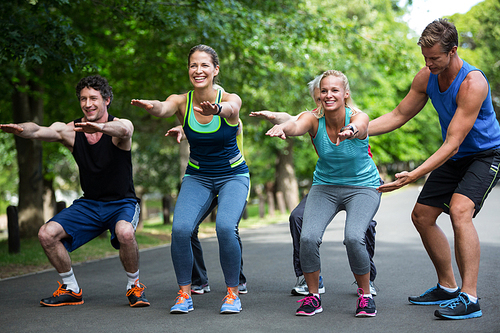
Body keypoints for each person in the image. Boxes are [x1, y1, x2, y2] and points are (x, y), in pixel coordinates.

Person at [369, 18, 500, 320]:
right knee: (422, 215)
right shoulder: (427, 76)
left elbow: (453, 143)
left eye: (435, 58)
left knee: (459, 211)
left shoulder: (472, 83)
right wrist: (358, 130)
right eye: (425, 58)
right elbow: (399, 114)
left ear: (453, 51)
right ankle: (448, 286)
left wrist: (413, 175)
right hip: (454, 155)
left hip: (484, 154)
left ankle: (470, 297)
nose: (429, 64)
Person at [0, 75, 149, 308]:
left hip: (121, 203)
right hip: (89, 204)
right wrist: (21, 129)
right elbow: (38, 130)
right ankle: (71, 288)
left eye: (93, 98)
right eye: (83, 99)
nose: (87, 104)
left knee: (126, 233)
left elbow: (125, 129)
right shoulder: (71, 131)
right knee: (46, 234)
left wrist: (100, 127)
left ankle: (134, 286)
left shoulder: (118, 128)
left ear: (107, 100)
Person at [131, 44, 249, 314]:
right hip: (198, 175)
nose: (198, 70)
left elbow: (232, 109)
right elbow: (163, 107)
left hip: (232, 174)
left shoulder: (231, 97)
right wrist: (152, 107)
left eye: (205, 65)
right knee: (181, 230)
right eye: (193, 65)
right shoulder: (181, 101)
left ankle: (232, 292)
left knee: (225, 227)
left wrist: (216, 109)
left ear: (215, 69)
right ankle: (185, 293)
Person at [251, 74, 379, 296]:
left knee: (356, 233)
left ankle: (367, 283)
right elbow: (295, 122)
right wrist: (281, 125)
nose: (327, 97)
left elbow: (361, 124)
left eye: (334, 91)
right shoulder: (313, 117)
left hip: (361, 184)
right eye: (323, 92)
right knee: (301, 223)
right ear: (318, 96)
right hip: (326, 185)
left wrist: (351, 131)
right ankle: (309, 281)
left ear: (345, 94)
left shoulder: (357, 116)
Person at [165, 119, 248, 295]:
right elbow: (196, 131)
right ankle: (199, 281)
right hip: (202, 179)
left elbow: (234, 127)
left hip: (232, 179)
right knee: (187, 228)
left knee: (228, 228)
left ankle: (237, 280)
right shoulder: (196, 122)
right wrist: (182, 128)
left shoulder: (232, 119)